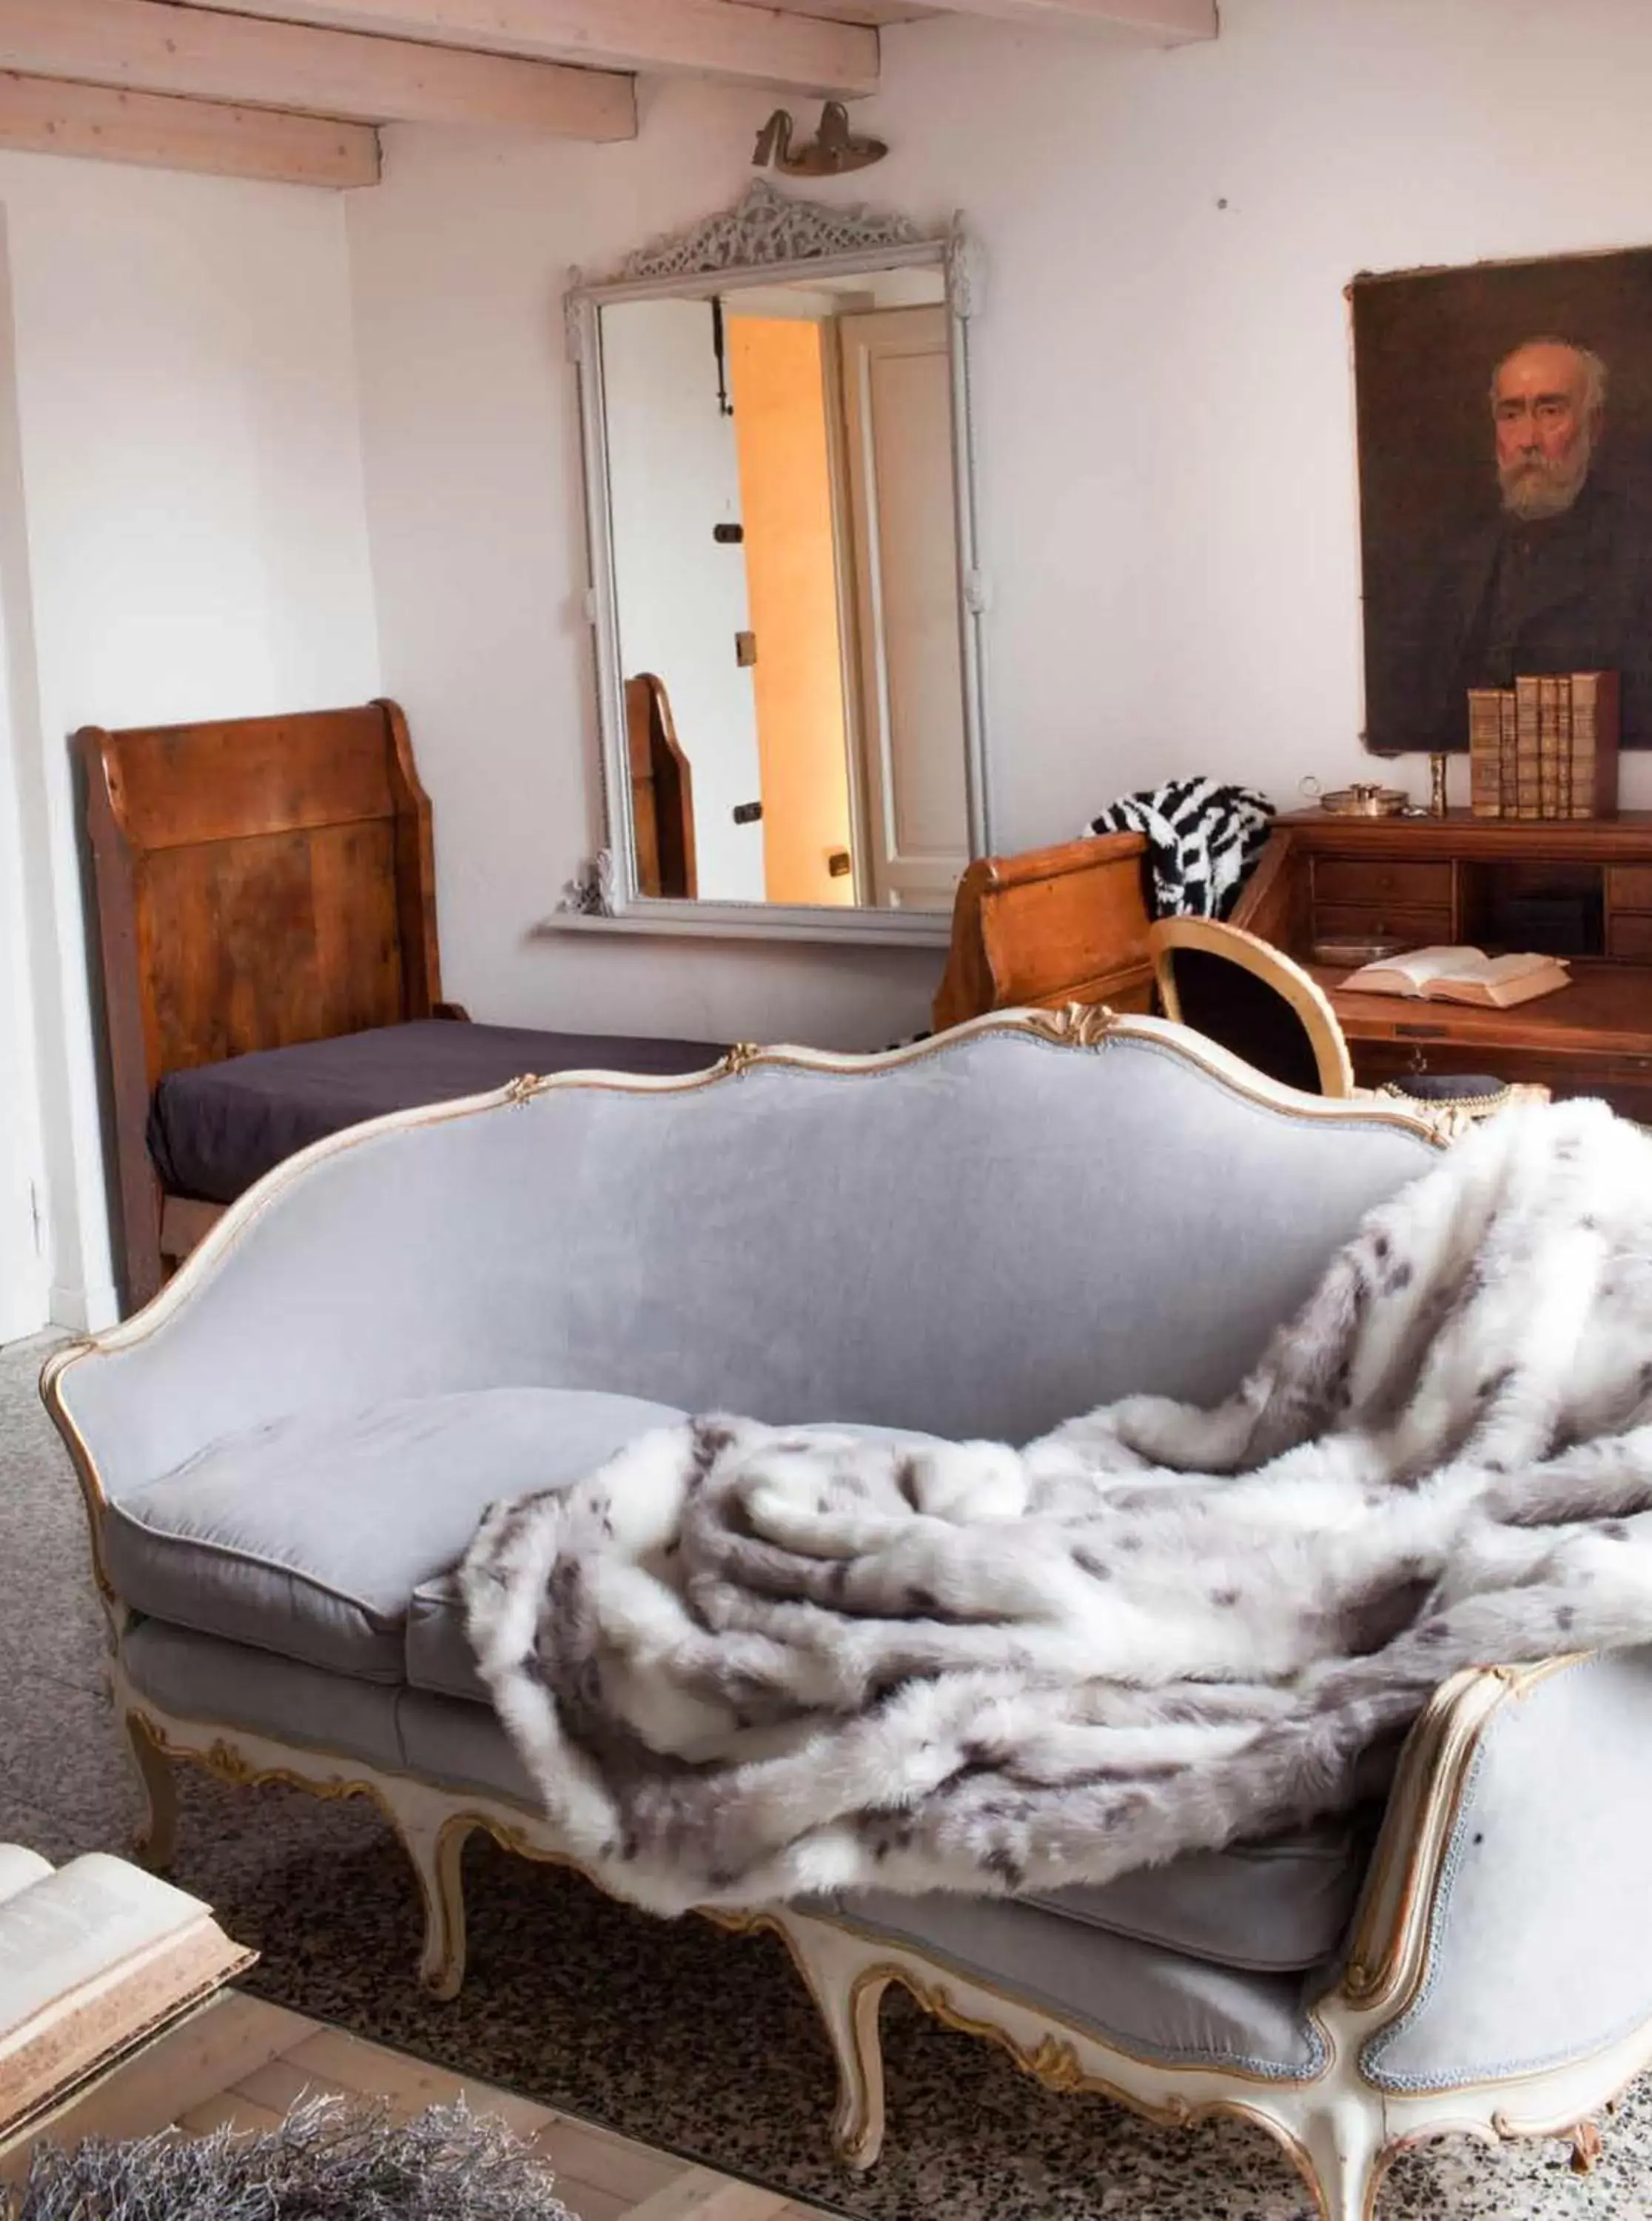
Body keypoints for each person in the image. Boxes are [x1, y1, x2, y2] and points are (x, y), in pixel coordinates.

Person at [1374, 335, 1652, 749]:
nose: (1528, 439)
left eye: (1550, 411)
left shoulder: (1637, 550)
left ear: (1594, 426)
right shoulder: (1456, 554)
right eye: (1511, 415)